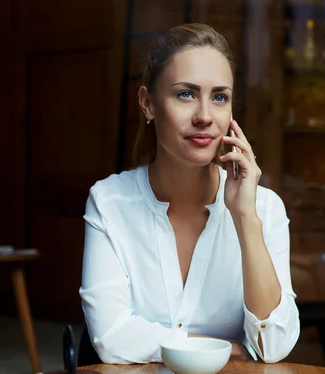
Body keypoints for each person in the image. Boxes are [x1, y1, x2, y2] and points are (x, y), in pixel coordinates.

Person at [79, 23, 300, 364]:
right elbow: (111, 338)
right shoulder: (110, 202)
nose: (205, 116)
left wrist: (245, 219)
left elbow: (273, 346)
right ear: (148, 104)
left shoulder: (264, 209)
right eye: (185, 94)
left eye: (219, 97)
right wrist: (230, 350)